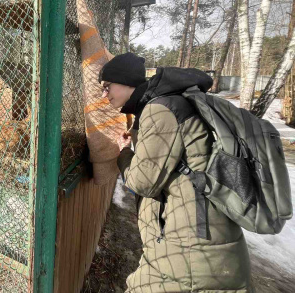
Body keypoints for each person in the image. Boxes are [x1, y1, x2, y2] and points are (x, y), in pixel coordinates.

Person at [99, 52, 252, 293]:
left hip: (191, 245)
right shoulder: (165, 103)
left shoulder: (159, 109)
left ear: (126, 81)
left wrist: (124, 153)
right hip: (195, 235)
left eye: (107, 87)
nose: (104, 95)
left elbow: (142, 182)